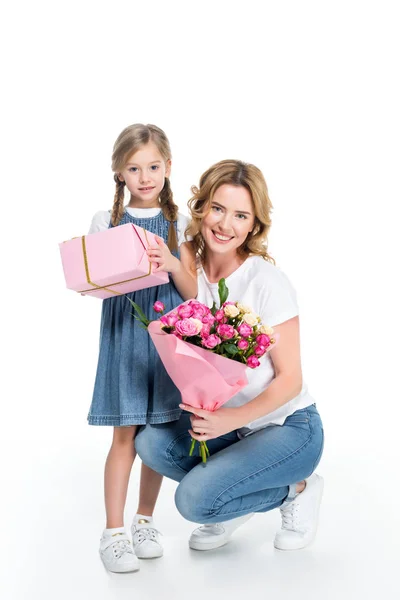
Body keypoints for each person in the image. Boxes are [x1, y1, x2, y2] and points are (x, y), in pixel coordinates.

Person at [135, 159, 324, 553]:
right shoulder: (187, 263)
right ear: (201, 207)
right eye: (218, 209)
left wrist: (230, 419)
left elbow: (290, 380)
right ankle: (233, 495)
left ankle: (297, 490)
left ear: (254, 225)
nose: (226, 225)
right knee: (151, 443)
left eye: (241, 215)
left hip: (288, 428)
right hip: (229, 430)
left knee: (195, 501)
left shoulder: (267, 282)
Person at [87, 124, 197, 572]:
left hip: (168, 339)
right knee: (125, 434)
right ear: (119, 173)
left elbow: (193, 292)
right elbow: (96, 281)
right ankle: (113, 532)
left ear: (168, 167)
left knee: (158, 431)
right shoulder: (105, 220)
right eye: (134, 168)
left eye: (153, 166)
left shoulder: (181, 223)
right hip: (125, 336)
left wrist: (171, 262)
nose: (145, 176)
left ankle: (144, 520)